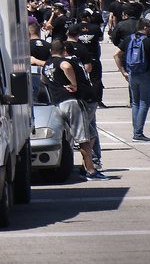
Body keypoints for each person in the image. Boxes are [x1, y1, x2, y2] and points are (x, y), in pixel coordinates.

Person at [42, 40, 105, 180]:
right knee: (84, 138)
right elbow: (66, 66)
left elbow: (43, 80)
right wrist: (74, 84)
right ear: (64, 50)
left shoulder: (46, 65)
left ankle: (85, 164)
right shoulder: (61, 62)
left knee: (91, 134)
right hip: (71, 102)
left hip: (58, 103)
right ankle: (90, 171)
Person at [114, 19, 150, 142]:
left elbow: (116, 55)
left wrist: (123, 71)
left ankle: (136, 131)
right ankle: (138, 133)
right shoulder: (149, 42)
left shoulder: (128, 39)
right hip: (145, 74)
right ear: (145, 28)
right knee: (144, 103)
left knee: (135, 103)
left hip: (132, 74)